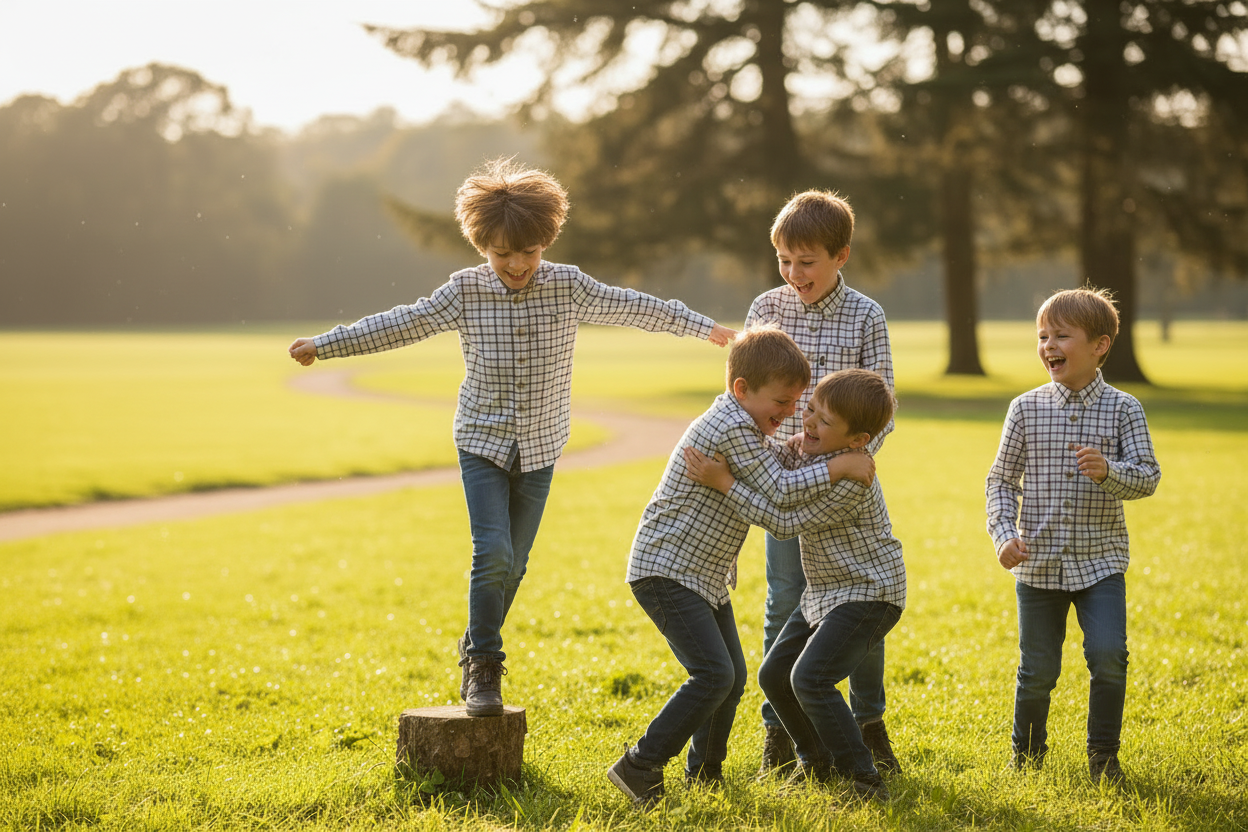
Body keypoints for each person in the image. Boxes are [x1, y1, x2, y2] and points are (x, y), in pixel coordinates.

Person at [287, 158, 735, 717]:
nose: (517, 264)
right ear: (482, 246)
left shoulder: (568, 286)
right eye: (504, 254)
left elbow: (634, 306)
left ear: (545, 241)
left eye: (529, 252)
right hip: (482, 441)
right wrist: (326, 344)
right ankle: (484, 665)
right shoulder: (464, 292)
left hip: (542, 446)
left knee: (514, 566)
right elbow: (402, 322)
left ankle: (475, 642)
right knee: (493, 553)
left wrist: (703, 327)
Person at [607, 326, 875, 808]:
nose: (792, 411)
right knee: (714, 675)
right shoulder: (730, 425)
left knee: (728, 677)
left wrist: (808, 450)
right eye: (784, 400)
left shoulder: (747, 425)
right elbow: (778, 489)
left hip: (700, 576)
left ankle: (704, 774)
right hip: (668, 569)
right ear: (742, 390)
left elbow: (777, 461)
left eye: (799, 402)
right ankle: (640, 765)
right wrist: (837, 466)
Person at [684, 368, 903, 802]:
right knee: (774, 675)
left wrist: (724, 482)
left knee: (811, 678)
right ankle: (815, 760)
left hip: (868, 593)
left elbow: (783, 521)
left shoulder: (851, 480)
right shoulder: (812, 451)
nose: (809, 423)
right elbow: (773, 466)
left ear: (858, 440)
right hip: (824, 592)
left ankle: (865, 778)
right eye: (811, 410)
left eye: (824, 422)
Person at [744, 189, 899, 774]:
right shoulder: (767, 308)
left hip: (843, 487)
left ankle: (867, 724)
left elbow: (882, 403)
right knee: (786, 599)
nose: (793, 272)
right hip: (782, 482)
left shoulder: (865, 316)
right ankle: (782, 735)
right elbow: (744, 402)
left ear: (841, 256)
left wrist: (851, 464)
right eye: (784, 259)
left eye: (805, 261)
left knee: (858, 602)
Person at [986, 287, 1160, 784]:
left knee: (1108, 657)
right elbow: (1000, 480)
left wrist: (1109, 471)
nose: (1048, 345)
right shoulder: (1025, 408)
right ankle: (1027, 759)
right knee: (1037, 671)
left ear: (1100, 345)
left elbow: (1147, 476)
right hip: (1037, 566)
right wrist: (1003, 535)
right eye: (1043, 336)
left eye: (1062, 335)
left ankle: (1103, 756)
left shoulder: (1125, 409)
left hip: (1100, 563)